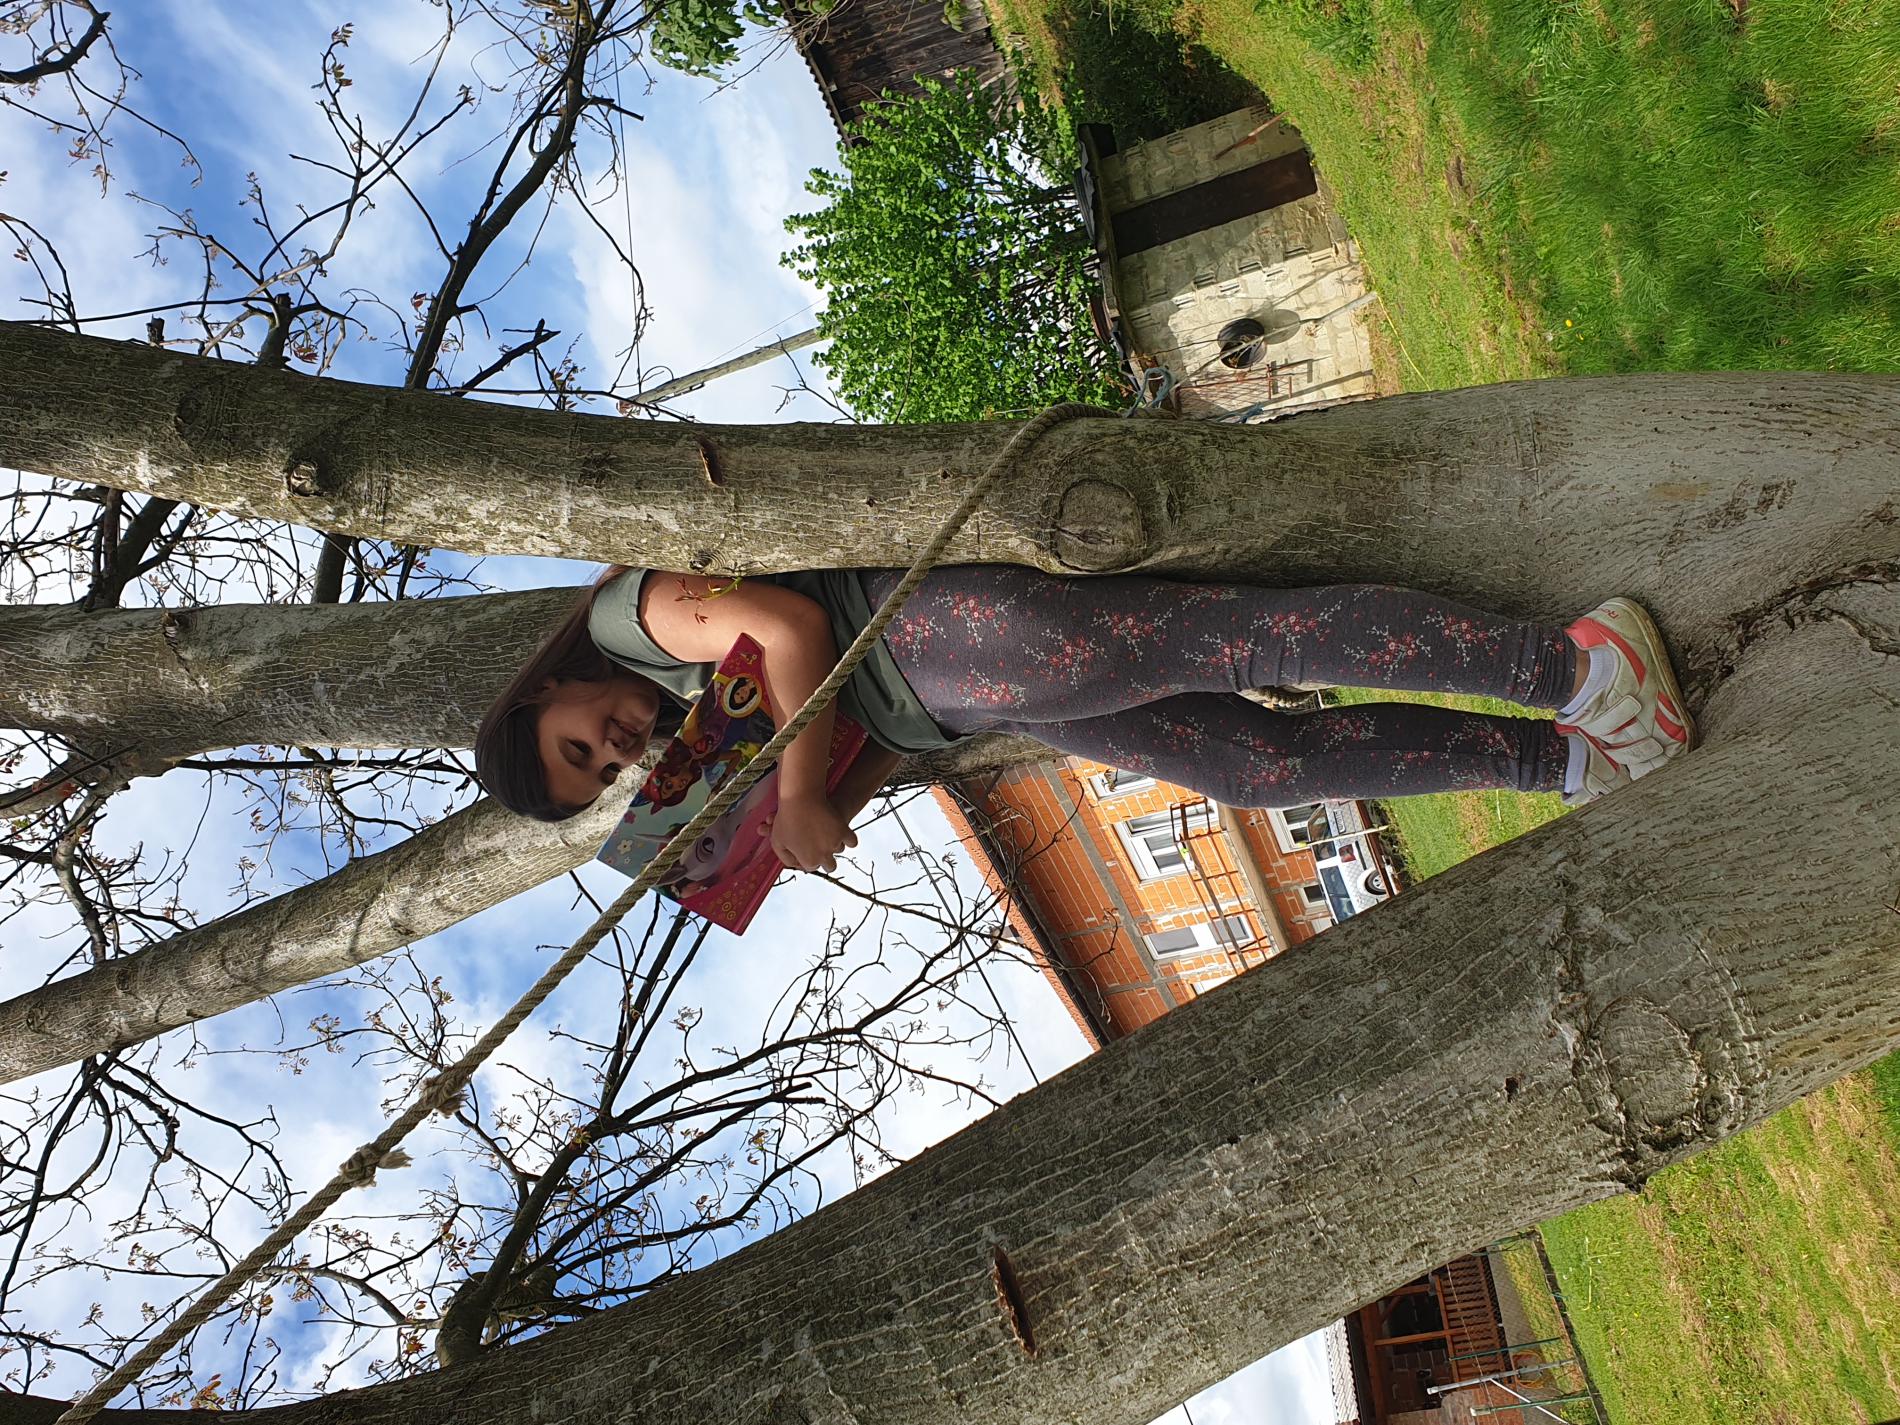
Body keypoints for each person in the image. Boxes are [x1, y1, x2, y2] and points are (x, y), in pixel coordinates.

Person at [474, 565, 1694, 876]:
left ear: (545, 691)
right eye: (603, 775)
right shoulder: (689, 713)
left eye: (581, 743)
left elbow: (794, 629)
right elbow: (871, 727)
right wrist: (821, 812)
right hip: (949, 695)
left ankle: (1574, 668)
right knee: (1258, 765)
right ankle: (1564, 756)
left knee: (1246, 640)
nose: (615, 751)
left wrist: (793, 795)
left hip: (949, 634)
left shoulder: (633, 621)